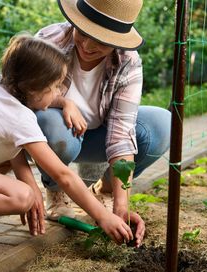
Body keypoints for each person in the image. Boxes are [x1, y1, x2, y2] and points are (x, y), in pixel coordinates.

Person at [0, 34, 137, 258]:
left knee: (26, 191)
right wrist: (102, 216)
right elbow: (63, 175)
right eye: (55, 86)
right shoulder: (19, 117)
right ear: (33, 89)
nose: (60, 93)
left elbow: (15, 152)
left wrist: (34, 190)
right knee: (22, 197)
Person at [34, 0, 171, 235]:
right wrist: (63, 102)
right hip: (57, 138)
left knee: (161, 124)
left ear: (117, 42)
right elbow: (21, 95)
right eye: (83, 32)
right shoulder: (50, 41)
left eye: (100, 40)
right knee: (50, 122)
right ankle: (55, 190)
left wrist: (122, 206)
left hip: (99, 138)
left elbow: (121, 136)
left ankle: (105, 191)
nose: (87, 45)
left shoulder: (127, 62)